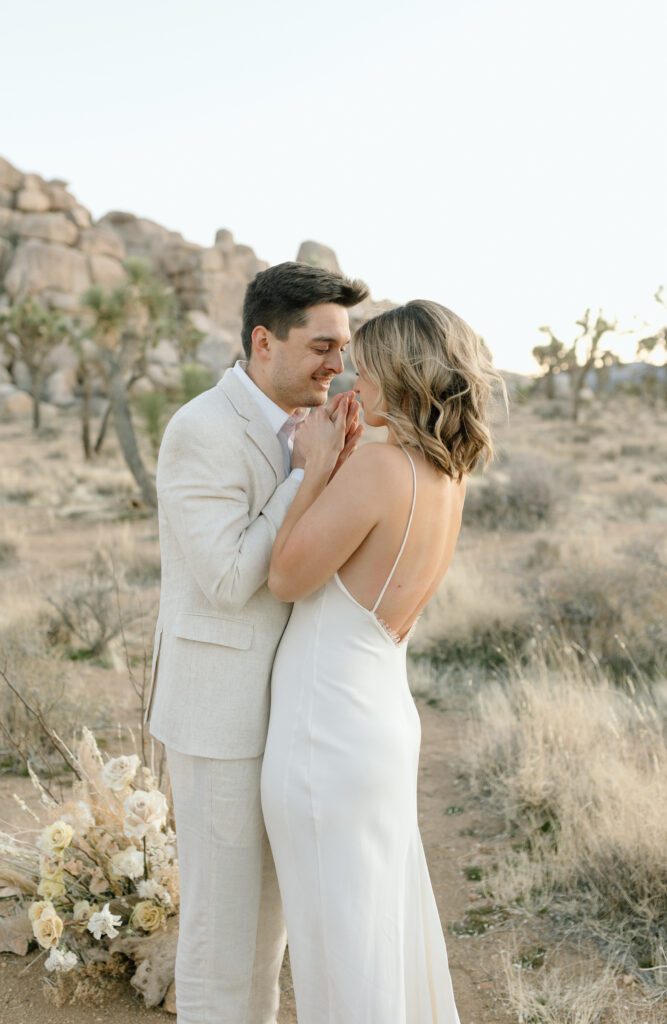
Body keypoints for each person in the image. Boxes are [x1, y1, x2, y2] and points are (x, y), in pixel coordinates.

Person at [261, 299, 504, 1023]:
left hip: (326, 734)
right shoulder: (445, 476)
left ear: (400, 377)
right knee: (373, 937)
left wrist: (312, 468)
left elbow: (285, 579)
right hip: (376, 721)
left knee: (339, 951)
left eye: (363, 372)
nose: (349, 387)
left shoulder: (378, 469)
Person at [145, 261, 369, 1024]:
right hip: (220, 718)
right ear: (263, 340)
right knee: (220, 931)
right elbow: (230, 576)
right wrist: (305, 475)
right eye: (322, 346)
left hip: (293, 712)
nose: (337, 365)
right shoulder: (200, 430)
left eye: (343, 347)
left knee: (268, 933)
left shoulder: (311, 426)